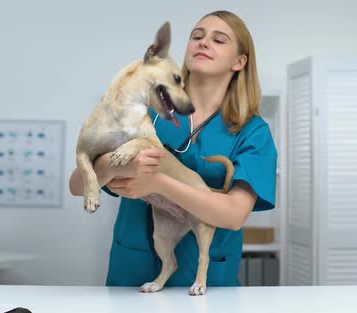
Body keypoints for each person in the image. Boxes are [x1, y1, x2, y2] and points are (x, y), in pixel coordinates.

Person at [69, 10, 277, 287]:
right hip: (133, 275)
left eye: (219, 40)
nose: (203, 43)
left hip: (210, 284)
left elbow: (235, 215)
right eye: (197, 36)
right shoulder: (145, 111)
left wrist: (158, 182)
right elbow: (77, 185)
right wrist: (113, 165)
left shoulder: (253, 131)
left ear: (239, 62)